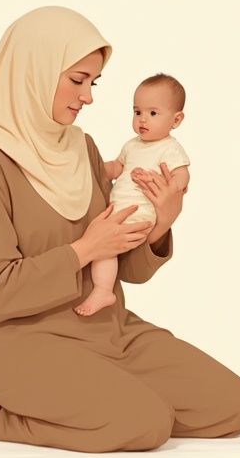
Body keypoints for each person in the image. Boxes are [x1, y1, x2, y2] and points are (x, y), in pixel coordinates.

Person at [0, 6, 240, 453]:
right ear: (33, 71)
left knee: (232, 406)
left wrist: (161, 223)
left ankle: (99, 399)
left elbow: (126, 269)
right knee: (145, 422)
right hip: (25, 345)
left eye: (93, 83)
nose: (88, 97)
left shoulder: (82, 147)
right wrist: (82, 250)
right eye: (77, 80)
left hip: (107, 330)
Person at [74, 73, 191, 317]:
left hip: (142, 214)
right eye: (137, 112)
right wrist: (95, 167)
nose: (142, 120)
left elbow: (181, 177)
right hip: (119, 211)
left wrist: (174, 187)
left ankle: (103, 288)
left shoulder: (170, 149)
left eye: (153, 113)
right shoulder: (132, 145)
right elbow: (116, 167)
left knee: (105, 248)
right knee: (104, 245)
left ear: (176, 120)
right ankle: (102, 288)